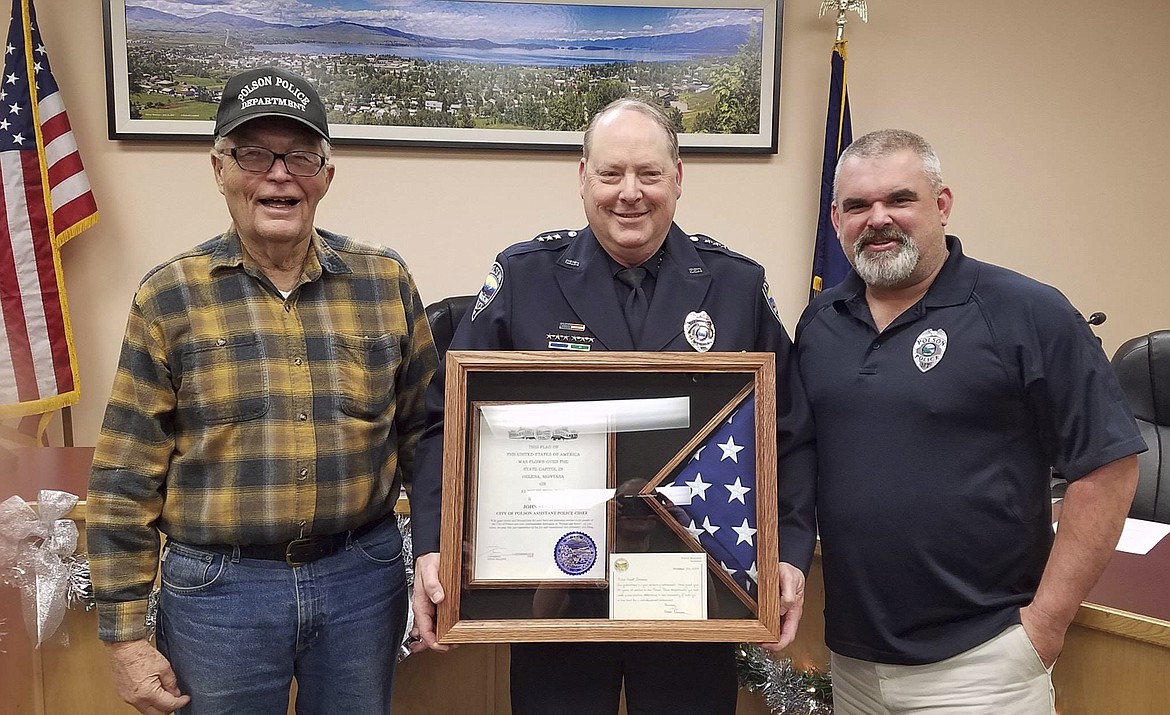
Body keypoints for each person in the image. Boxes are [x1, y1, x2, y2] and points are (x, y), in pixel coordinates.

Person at [408, 98, 817, 715]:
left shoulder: (736, 286)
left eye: (649, 174)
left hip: (697, 589)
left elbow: (789, 432)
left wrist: (786, 550)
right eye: (611, 173)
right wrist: (434, 541)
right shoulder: (525, 279)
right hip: (558, 593)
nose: (630, 193)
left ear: (678, 178)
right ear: (582, 177)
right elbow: (448, 419)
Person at [87, 67, 437, 715]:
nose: (279, 173)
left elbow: (428, 436)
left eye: (300, 155)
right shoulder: (169, 296)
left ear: (326, 176)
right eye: (254, 153)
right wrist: (125, 635)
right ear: (219, 168)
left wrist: (443, 556)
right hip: (220, 592)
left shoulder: (385, 281)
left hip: (362, 577)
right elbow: (124, 475)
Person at [795, 128, 1145, 714]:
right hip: (853, 661)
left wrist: (1045, 627)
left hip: (983, 663)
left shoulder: (1028, 312)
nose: (877, 219)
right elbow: (798, 455)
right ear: (836, 219)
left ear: (942, 204)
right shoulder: (820, 321)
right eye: (858, 205)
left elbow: (1108, 466)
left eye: (899, 199)